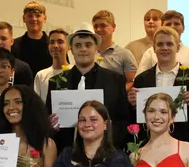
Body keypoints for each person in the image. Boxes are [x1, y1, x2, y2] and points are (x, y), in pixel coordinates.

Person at [46, 22, 131, 153]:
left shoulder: (115, 80)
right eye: (78, 45)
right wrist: (51, 126)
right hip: (66, 153)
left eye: (88, 45)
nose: (83, 49)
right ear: (71, 49)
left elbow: (123, 120)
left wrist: (108, 143)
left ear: (96, 48)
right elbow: (47, 119)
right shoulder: (56, 82)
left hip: (106, 153)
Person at [129, 26, 189, 146]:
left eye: (169, 44)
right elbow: (134, 118)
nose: (164, 48)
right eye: (160, 44)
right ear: (154, 48)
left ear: (178, 47)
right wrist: (133, 104)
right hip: (149, 144)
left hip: (182, 144)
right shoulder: (141, 80)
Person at [136, 10, 189, 76]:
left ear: (183, 28)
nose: (172, 26)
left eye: (176, 24)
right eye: (168, 24)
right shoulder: (150, 53)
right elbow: (140, 80)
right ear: (161, 27)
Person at [92, 10, 138, 90]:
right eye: (96, 26)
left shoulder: (125, 54)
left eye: (103, 26)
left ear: (113, 27)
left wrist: (117, 94)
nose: (98, 29)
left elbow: (131, 81)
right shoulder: (89, 54)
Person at [12, 1, 53, 78]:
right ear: (24, 19)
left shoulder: (54, 46)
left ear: (44, 19)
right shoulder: (14, 45)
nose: (34, 19)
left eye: (38, 16)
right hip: (21, 89)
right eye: (30, 16)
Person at [34, 28, 71, 104]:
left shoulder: (75, 72)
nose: (55, 46)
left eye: (60, 42)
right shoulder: (41, 75)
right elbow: (36, 105)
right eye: (52, 42)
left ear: (69, 47)